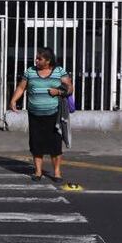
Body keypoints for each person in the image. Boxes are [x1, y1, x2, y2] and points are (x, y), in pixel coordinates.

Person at [8, 47, 73, 183]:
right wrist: (13, 100)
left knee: (55, 145)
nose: (36, 60)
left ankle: (57, 173)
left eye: (39, 59)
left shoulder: (59, 71)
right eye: (36, 58)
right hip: (35, 115)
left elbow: (70, 88)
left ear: (48, 61)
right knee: (36, 144)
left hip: (54, 115)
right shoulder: (30, 71)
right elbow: (21, 87)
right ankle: (38, 172)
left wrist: (58, 92)